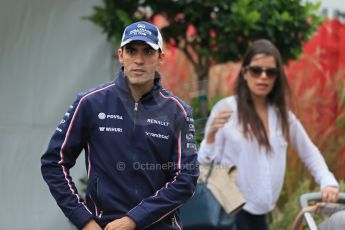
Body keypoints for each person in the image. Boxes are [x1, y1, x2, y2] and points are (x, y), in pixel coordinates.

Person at [41, 21, 199, 230]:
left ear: (160, 58)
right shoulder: (89, 103)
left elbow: (186, 179)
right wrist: (85, 221)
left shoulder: (178, 112)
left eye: (148, 52)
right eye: (131, 51)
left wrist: (134, 220)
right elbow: (54, 162)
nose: (139, 60)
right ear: (120, 55)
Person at [198, 39, 339, 230]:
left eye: (270, 72)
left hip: (261, 214)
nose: (263, 77)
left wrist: (327, 182)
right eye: (256, 70)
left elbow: (310, 153)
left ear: (277, 77)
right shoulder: (226, 109)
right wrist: (212, 135)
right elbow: (203, 163)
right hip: (229, 210)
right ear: (245, 73)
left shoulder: (283, 117)